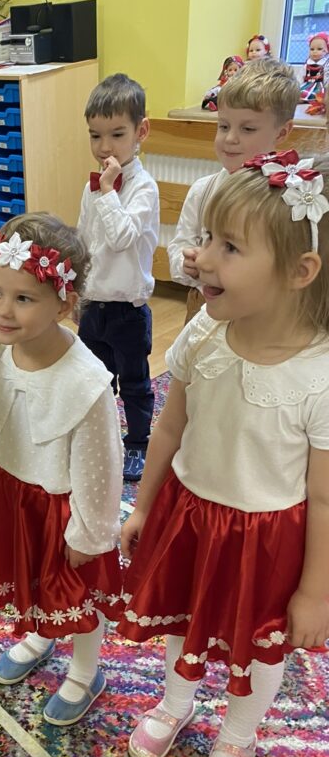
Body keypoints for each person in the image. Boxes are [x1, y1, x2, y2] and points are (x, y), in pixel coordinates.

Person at [119, 150, 329, 757]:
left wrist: (315, 592)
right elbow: (168, 429)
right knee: (180, 616)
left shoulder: (319, 375)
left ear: (299, 272)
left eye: (229, 247)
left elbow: (324, 496)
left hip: (266, 538)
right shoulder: (203, 333)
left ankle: (238, 736)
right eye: (207, 237)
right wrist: (141, 507)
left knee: (258, 645)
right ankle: (176, 700)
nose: (202, 257)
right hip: (188, 511)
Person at [0, 214, 123, 725]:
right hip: (14, 491)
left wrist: (89, 534)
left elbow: (101, 468)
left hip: (64, 507)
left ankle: (85, 671)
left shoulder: (87, 381)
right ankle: (40, 633)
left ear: (64, 302)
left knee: (75, 593)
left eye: (23, 298)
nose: (2, 310)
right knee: (31, 578)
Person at [169, 58, 300, 325]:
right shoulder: (203, 191)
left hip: (262, 318)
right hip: (204, 309)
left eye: (248, 129)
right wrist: (185, 262)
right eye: (224, 126)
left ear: (282, 132)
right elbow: (180, 244)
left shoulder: (290, 197)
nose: (230, 139)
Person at [76, 73, 160, 482]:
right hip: (93, 305)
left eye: (116, 134)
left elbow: (122, 236)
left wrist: (108, 192)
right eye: (95, 136)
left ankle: (139, 443)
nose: (104, 147)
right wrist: (74, 288)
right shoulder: (92, 187)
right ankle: (99, 437)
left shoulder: (144, 188)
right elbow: (85, 240)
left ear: (141, 131)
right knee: (93, 381)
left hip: (128, 309)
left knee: (134, 383)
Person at [300, 31, 329, 104]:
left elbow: (326, 78)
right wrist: (297, 85)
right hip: (306, 84)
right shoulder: (307, 63)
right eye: (312, 49)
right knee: (300, 92)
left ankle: (314, 101)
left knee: (320, 95)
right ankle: (303, 99)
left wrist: (326, 88)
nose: (315, 51)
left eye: (319, 49)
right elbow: (301, 76)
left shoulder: (325, 64)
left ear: (326, 51)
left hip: (319, 86)